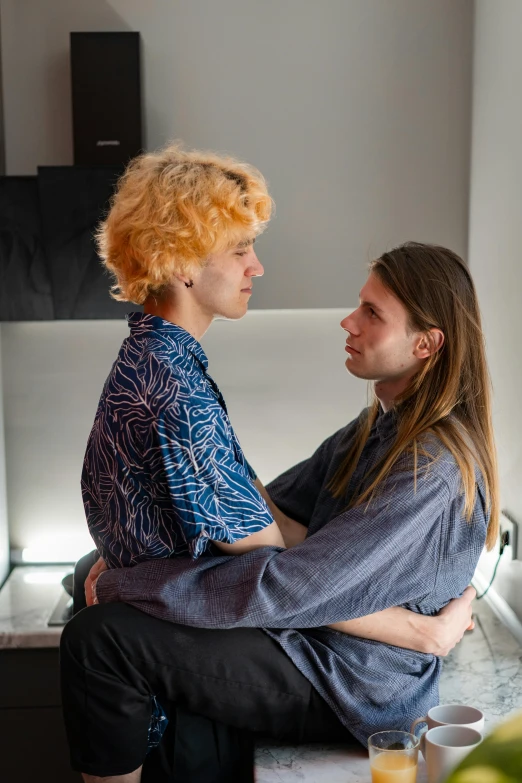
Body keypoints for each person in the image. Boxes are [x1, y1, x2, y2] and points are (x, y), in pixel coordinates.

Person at [60, 149, 492, 782]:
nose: (347, 320)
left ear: (426, 345)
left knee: (98, 635)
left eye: (372, 313)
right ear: (180, 263)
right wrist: (414, 629)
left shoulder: (431, 465)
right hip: (318, 643)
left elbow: (288, 573)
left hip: (350, 677)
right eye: (241, 249)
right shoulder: (373, 426)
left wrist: (137, 579)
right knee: (95, 600)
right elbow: (278, 513)